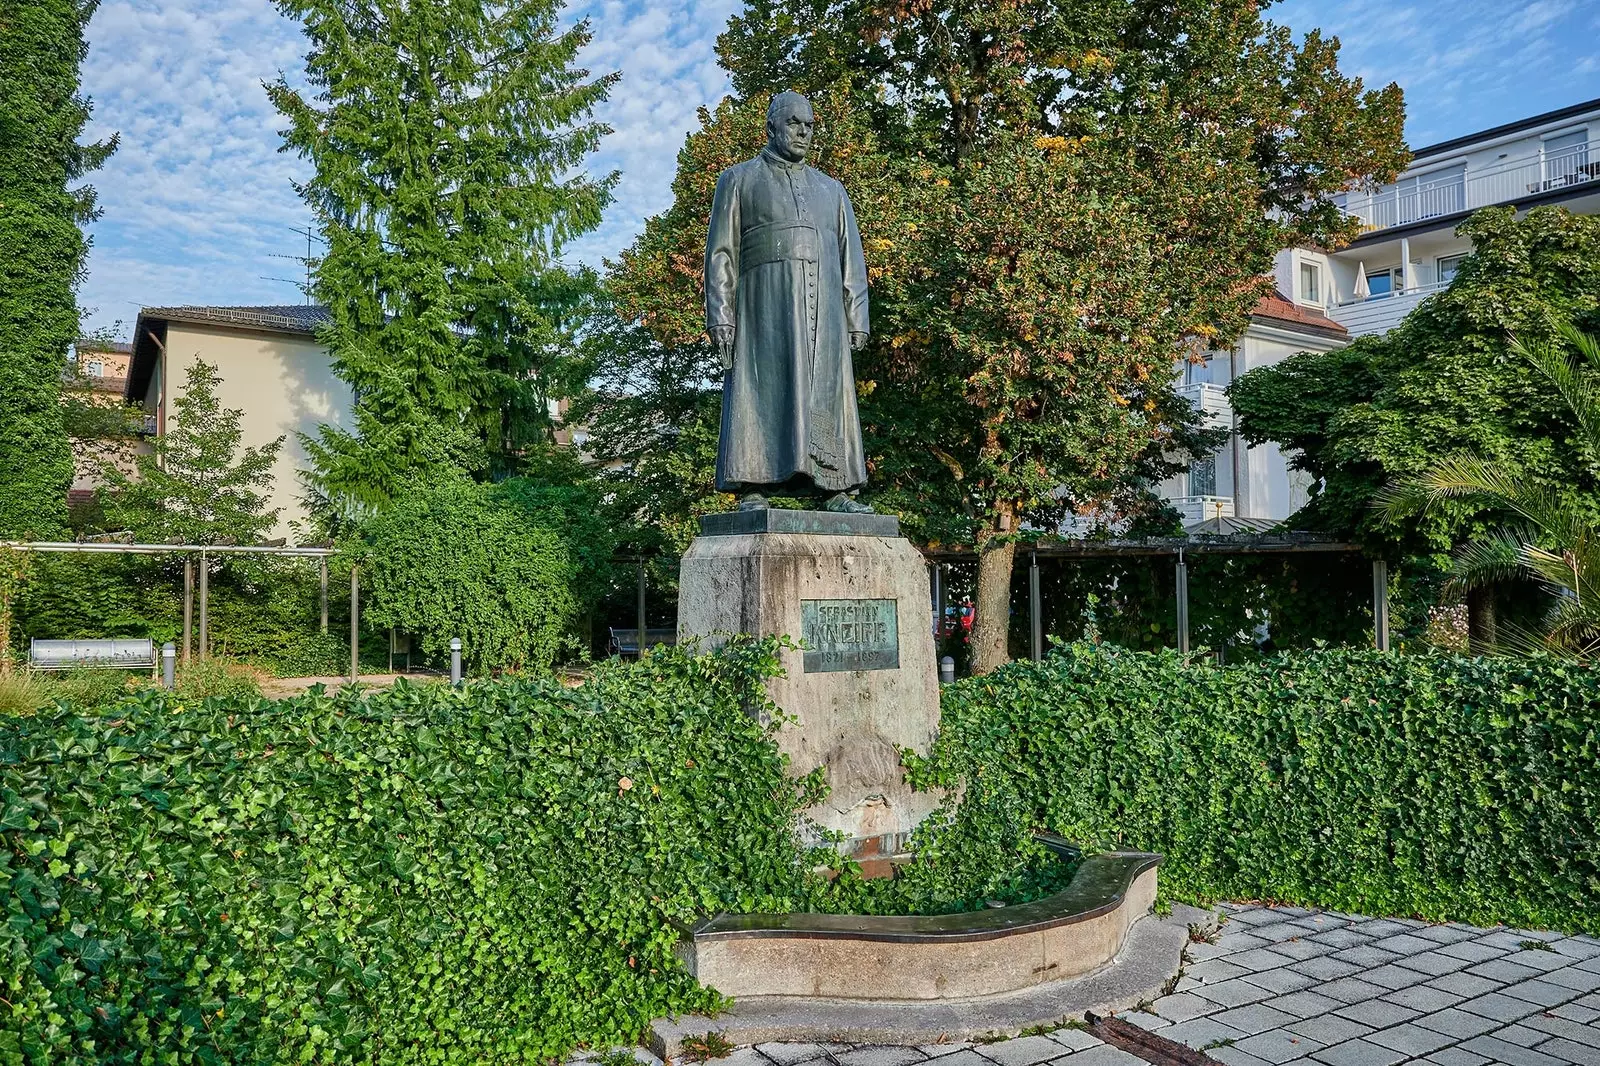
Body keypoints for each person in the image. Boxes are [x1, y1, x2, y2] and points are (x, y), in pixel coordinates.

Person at [704, 90, 873, 513]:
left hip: (827, 318)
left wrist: (857, 320)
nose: (804, 131)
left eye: (810, 125)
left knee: (827, 394)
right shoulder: (738, 179)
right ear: (772, 127)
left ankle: (836, 488)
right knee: (759, 390)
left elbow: (851, 258)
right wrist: (721, 316)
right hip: (763, 312)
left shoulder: (832, 190)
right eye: (795, 123)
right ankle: (753, 485)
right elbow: (721, 253)